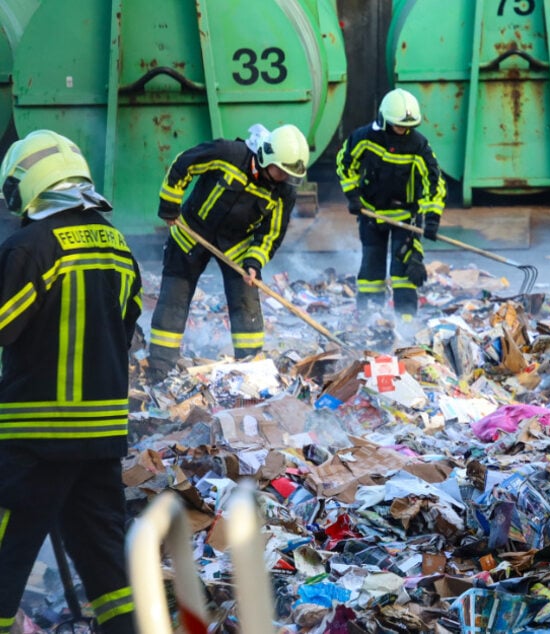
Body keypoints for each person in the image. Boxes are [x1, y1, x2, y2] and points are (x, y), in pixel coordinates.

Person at [0, 130, 142, 633]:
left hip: (33, 441)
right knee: (108, 565)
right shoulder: (117, 244)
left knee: (5, 560)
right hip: (102, 440)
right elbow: (125, 328)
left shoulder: (28, 247)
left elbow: (4, 327)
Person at [148, 123, 308, 381]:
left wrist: (255, 261)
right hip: (191, 233)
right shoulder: (229, 154)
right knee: (174, 299)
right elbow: (184, 164)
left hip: (237, 247)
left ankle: (251, 367)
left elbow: (271, 234)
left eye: (289, 174)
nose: (284, 178)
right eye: (281, 171)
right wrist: (169, 203)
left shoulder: (284, 192)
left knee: (246, 303)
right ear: (267, 156)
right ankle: (160, 369)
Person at [336, 88, 446, 322]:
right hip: (371, 214)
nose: (403, 131)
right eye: (398, 126)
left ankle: (405, 324)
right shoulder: (364, 138)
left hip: (405, 218)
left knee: (405, 272)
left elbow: (434, 183)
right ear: (384, 120)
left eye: (408, 126)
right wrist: (352, 195)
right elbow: (345, 164)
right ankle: (369, 319)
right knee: (371, 272)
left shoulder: (418, 146)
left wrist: (432, 218)